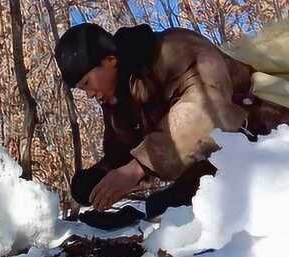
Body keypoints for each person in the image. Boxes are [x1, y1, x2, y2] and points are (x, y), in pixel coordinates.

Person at [54, 23, 289, 228]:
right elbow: (123, 151)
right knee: (162, 206)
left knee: (179, 204)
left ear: (110, 60)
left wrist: (137, 168)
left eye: (87, 83)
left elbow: (206, 111)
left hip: (265, 134)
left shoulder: (174, 48)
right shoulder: (118, 100)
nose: (88, 94)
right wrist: (99, 178)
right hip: (218, 161)